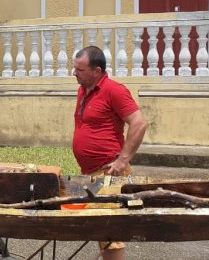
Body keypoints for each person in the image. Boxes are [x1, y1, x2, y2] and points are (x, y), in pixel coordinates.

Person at [72, 46, 148, 260]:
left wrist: (123, 160)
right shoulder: (83, 90)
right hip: (90, 172)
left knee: (110, 233)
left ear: (97, 71)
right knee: (103, 232)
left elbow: (139, 123)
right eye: (75, 68)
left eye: (80, 69)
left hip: (109, 171)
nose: (74, 73)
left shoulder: (114, 90)